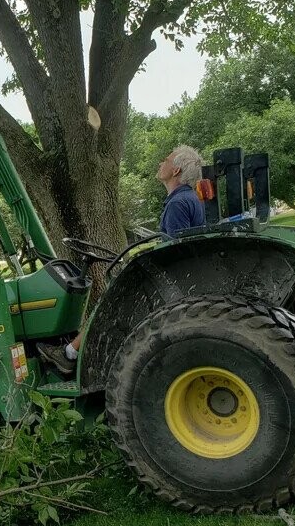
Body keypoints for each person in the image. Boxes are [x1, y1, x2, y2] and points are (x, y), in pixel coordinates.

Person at [35, 145, 207, 376]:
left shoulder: (177, 204)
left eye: (165, 160)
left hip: (170, 285)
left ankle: (69, 354)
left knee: (110, 303)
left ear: (176, 170)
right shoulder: (190, 199)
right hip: (180, 281)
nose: (160, 163)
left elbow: (175, 253)